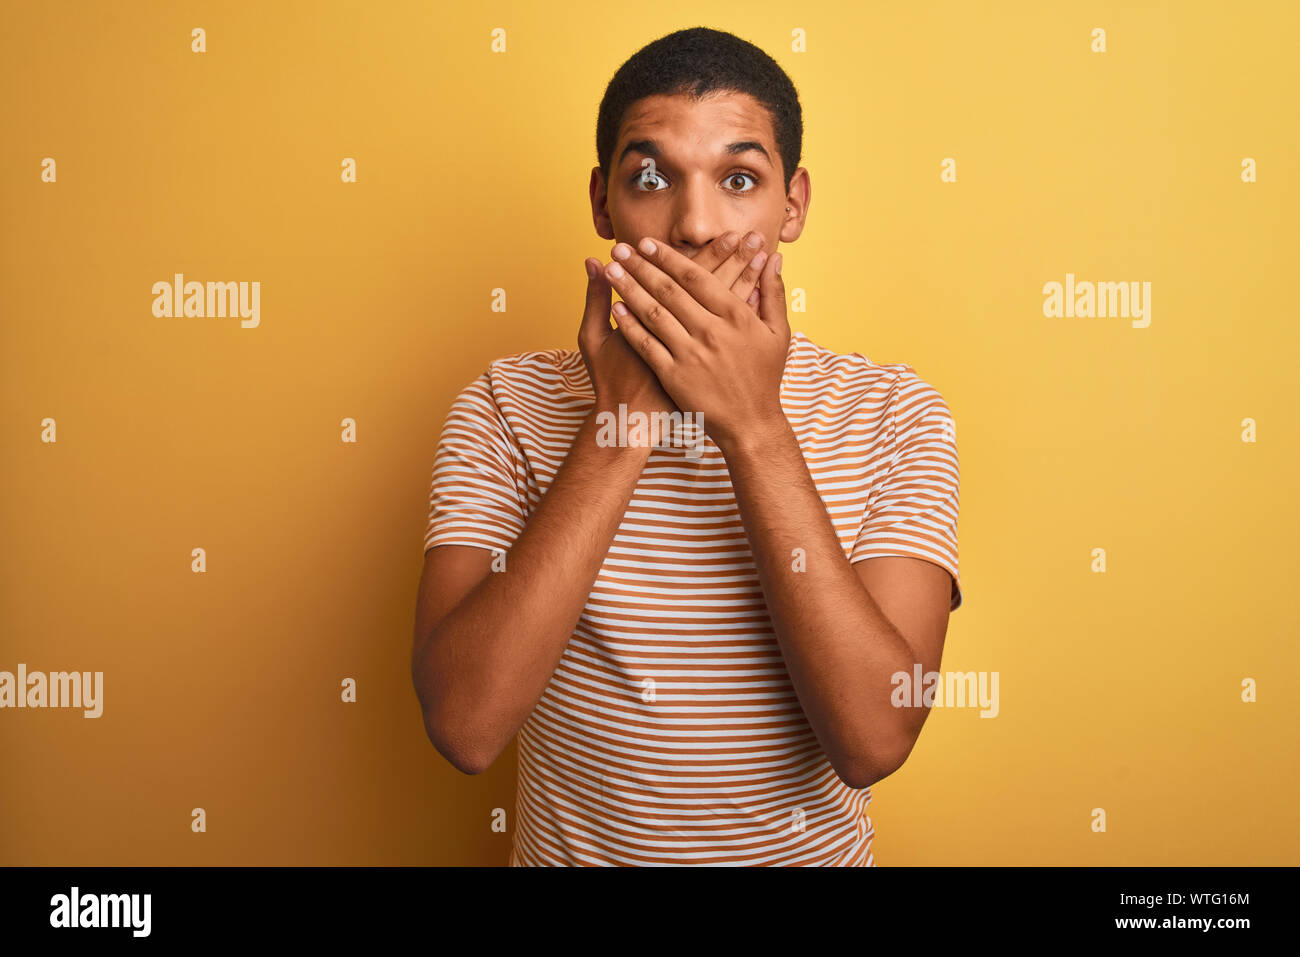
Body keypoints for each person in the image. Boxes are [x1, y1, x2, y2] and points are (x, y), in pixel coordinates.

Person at [411, 26, 962, 866]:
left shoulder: (893, 413)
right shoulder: (504, 407)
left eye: (739, 179)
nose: (696, 224)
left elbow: (875, 736)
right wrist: (618, 424)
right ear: (603, 202)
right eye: (650, 178)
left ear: (794, 204)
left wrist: (754, 426)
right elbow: (463, 724)